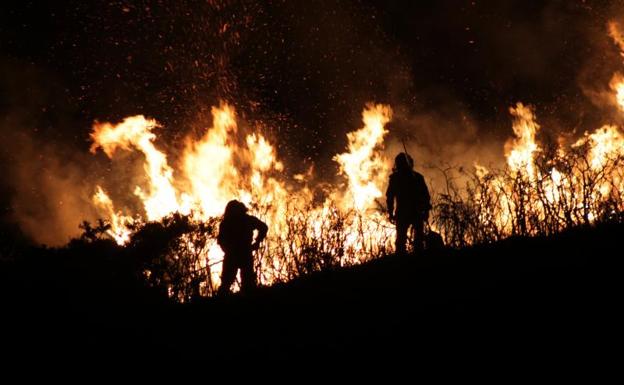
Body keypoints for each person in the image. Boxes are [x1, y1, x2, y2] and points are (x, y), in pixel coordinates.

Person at [217, 200, 268, 295]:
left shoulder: (227, 222)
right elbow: (263, 227)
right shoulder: (245, 220)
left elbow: (221, 241)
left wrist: (257, 242)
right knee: (240, 283)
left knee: (231, 283)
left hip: (237, 255)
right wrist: (257, 242)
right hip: (240, 255)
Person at [386, 152, 431, 255]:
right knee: (415, 240)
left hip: (405, 213)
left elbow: (390, 197)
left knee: (403, 241)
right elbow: (426, 196)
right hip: (415, 212)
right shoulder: (417, 177)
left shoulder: (396, 178)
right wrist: (426, 210)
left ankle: (403, 262)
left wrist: (390, 212)